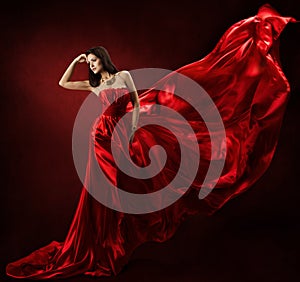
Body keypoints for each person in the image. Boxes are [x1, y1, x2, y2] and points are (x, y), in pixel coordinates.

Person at [6, 4, 296, 279]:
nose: (92, 67)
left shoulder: (123, 78)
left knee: (120, 189)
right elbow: (63, 83)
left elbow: (133, 102)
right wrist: (76, 60)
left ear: (103, 59)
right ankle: (96, 249)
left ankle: (111, 246)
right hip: (100, 138)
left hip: (121, 135)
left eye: (94, 61)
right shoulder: (94, 85)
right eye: (89, 63)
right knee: (98, 194)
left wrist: (132, 131)